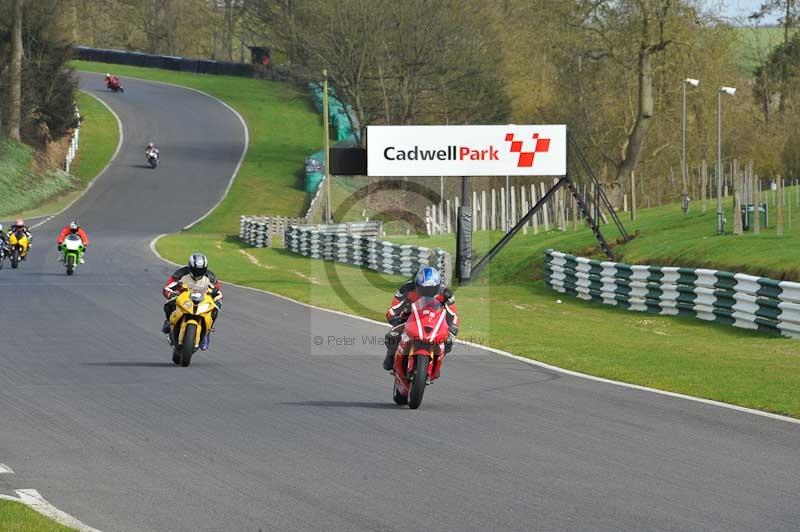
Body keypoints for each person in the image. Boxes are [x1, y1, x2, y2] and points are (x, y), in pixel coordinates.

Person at [382, 266, 459, 371]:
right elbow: (394, 308)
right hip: (409, 320)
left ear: (438, 285)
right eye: (425, 289)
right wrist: (393, 317)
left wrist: (453, 326)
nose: (429, 292)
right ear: (417, 285)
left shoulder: (445, 294)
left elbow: (453, 314)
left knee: (448, 341)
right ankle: (390, 356)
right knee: (392, 336)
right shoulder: (407, 289)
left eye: (432, 289)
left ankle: (436, 364)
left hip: (435, 322)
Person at [161, 253, 222, 350]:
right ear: (190, 267)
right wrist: (171, 294)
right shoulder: (180, 273)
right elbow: (168, 286)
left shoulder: (210, 277)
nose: (198, 272)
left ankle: (207, 331)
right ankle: (168, 321)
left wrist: (217, 298)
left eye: (201, 270)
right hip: (183, 298)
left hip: (202, 299)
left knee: (216, 308)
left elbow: (218, 290)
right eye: (196, 270)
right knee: (169, 303)